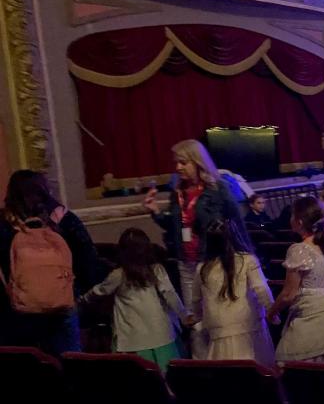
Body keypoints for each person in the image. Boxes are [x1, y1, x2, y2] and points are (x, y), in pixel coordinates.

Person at [144, 139, 251, 311]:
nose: (178, 167)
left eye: (183, 163)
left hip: (212, 261)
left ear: (197, 162)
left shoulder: (218, 188)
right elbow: (174, 225)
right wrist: (155, 211)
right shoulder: (178, 191)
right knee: (195, 318)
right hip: (186, 262)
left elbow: (236, 222)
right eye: (176, 163)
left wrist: (246, 254)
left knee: (217, 312)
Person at [0, 170, 99, 355]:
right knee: (69, 362)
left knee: (31, 365)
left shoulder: (5, 224)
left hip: (19, 309)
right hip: (62, 304)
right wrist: (78, 291)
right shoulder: (63, 218)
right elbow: (88, 256)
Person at [81, 228, 188, 371]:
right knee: (167, 378)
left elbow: (99, 291)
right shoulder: (157, 270)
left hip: (133, 339)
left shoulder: (118, 275)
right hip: (161, 335)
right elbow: (170, 295)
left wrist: (83, 299)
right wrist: (183, 315)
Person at [267, 197, 324, 364]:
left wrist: (271, 313)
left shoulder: (300, 250)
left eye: (291, 215)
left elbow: (288, 295)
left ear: (299, 221)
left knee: (292, 365)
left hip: (311, 316)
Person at [193, 219, 275, 365]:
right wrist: (272, 312)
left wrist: (198, 317)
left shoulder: (203, 268)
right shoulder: (247, 260)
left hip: (219, 330)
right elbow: (261, 289)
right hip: (250, 327)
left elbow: (196, 300)